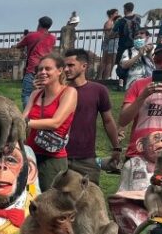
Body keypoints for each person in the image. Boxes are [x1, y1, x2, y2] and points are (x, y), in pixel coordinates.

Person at [63, 48, 120, 184]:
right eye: (64, 65)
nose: (66, 69)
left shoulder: (98, 90)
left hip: (86, 158)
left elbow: (108, 120)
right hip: (58, 156)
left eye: (71, 65)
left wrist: (116, 147)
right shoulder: (59, 90)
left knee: (89, 201)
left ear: (84, 66)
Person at [23, 53, 78, 191]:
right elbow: (23, 117)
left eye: (48, 69)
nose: (42, 72)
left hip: (52, 158)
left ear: (60, 71)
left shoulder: (69, 92)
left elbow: (56, 122)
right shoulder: (36, 94)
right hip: (30, 154)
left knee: (49, 203)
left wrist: (25, 123)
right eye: (40, 69)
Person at [16, 16, 56, 108]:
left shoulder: (31, 35)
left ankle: (28, 116)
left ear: (39, 24)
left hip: (32, 68)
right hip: (46, 69)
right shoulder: (52, 38)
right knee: (44, 93)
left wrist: (24, 37)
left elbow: (19, 45)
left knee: (27, 94)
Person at [112, 2, 142, 89]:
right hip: (136, 45)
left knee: (120, 64)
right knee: (135, 62)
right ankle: (133, 82)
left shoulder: (121, 21)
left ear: (125, 9)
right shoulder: (138, 18)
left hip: (123, 45)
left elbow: (112, 32)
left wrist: (115, 34)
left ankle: (121, 85)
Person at [100, 8, 120, 82]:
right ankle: (106, 77)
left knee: (107, 61)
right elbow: (108, 34)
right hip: (108, 42)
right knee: (109, 61)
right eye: (116, 13)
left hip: (108, 42)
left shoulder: (112, 22)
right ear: (112, 15)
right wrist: (115, 34)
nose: (117, 15)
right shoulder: (109, 22)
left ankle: (104, 77)